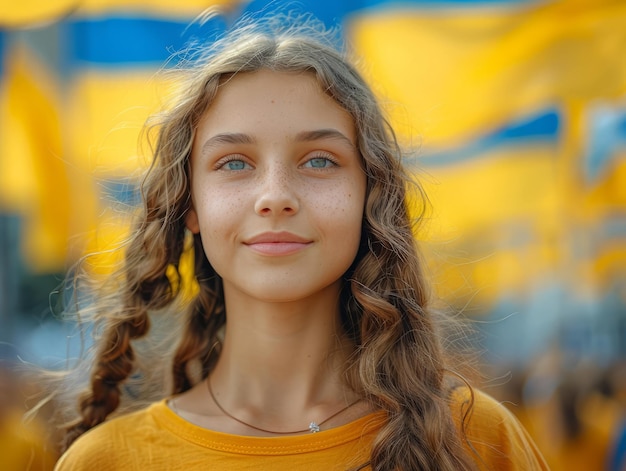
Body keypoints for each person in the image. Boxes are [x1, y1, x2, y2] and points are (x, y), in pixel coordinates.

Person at [52, 12, 548, 471]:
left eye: (319, 160)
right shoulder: (107, 461)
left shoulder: (476, 439)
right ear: (190, 204)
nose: (275, 197)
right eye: (234, 163)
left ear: (370, 195)